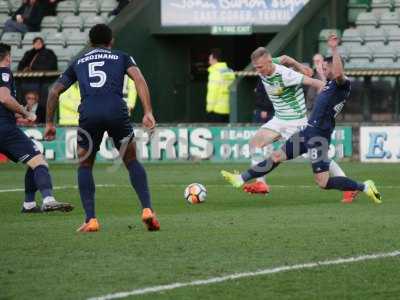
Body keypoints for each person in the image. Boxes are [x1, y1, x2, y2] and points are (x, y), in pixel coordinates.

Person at [221, 35, 382, 205]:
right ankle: (241, 178)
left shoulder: (341, 84)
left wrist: (334, 49)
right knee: (276, 156)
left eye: (326, 68)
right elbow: (288, 61)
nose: (323, 70)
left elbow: (338, 73)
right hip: (307, 132)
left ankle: (363, 186)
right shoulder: (328, 84)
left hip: (318, 135)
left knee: (323, 182)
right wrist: (305, 68)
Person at [45, 24, 160, 232]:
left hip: (89, 114)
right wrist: (148, 111)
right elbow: (139, 80)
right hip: (117, 111)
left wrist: (50, 123)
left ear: (90, 42)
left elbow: (54, 92)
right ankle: (147, 210)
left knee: (85, 165)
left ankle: (91, 220)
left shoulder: (78, 60)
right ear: (111, 41)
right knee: (131, 160)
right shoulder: (122, 57)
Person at [240, 47, 354, 203]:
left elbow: (318, 84)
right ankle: (261, 183)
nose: (258, 71)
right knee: (254, 143)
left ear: (267, 61)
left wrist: (323, 107)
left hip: (296, 121)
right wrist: (301, 66)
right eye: (256, 68)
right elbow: (286, 58)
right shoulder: (271, 63)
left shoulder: (287, 75)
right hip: (279, 119)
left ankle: (349, 187)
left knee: (319, 157)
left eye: (260, 67)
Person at [0, 43, 73, 213]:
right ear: (8, 57)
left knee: (31, 161)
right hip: (4, 128)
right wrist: (25, 113)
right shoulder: (3, 72)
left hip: (5, 124)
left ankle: (29, 204)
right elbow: (4, 98)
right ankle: (48, 199)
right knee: (39, 161)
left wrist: (15, 114)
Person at [206, 48, 235, 123]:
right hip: (229, 109)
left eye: (210, 59)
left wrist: (210, 108)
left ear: (214, 59)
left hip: (216, 110)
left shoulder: (215, 73)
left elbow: (213, 92)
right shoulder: (229, 71)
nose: (209, 62)